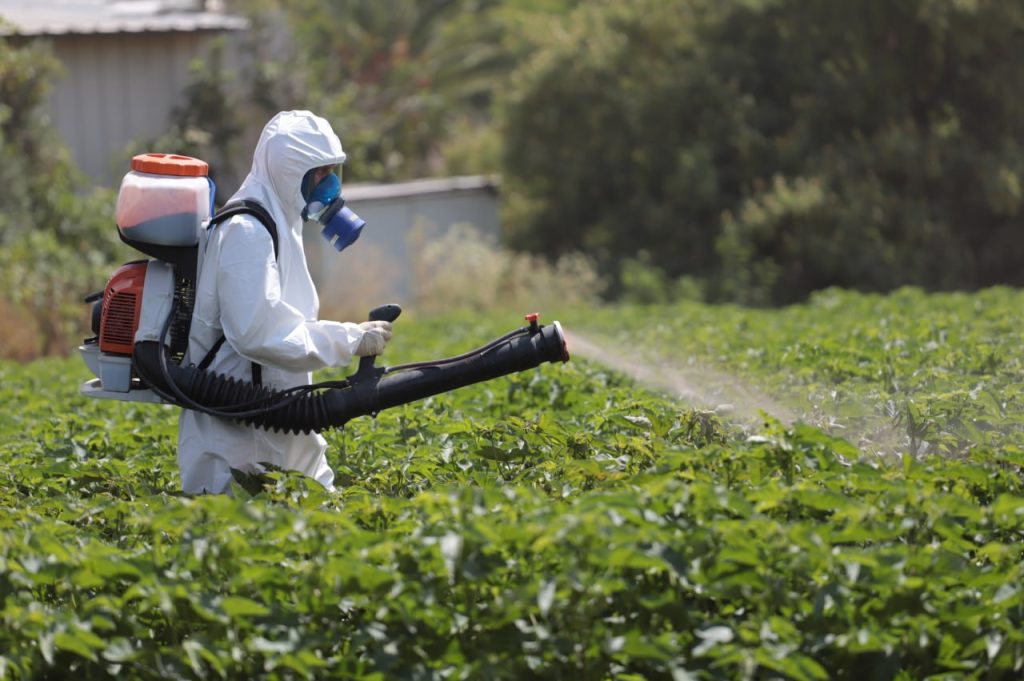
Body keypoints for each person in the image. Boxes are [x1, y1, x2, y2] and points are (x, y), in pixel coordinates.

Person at [177, 110, 392, 495]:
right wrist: (348, 341)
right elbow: (258, 332)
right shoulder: (246, 229)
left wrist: (352, 334)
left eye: (332, 173)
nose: (328, 186)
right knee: (244, 540)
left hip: (281, 418)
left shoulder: (280, 222)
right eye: (319, 174)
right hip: (238, 435)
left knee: (321, 524)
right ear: (291, 171)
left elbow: (287, 321)